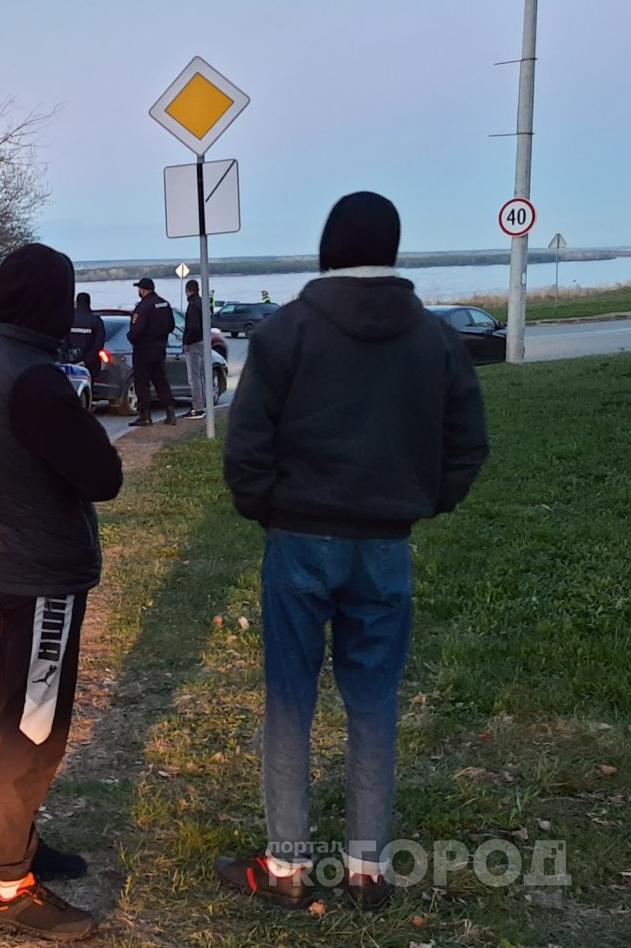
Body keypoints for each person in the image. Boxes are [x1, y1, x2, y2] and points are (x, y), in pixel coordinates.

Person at [218, 191, 489, 911]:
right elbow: (467, 445)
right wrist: (424, 500)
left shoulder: (285, 332)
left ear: (328, 248)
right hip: (386, 543)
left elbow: (246, 449)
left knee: (289, 701)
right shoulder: (434, 337)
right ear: (393, 252)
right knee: (372, 702)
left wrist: (274, 510)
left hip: (299, 539)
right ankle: (367, 869)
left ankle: (286, 866)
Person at [0, 243, 124, 941]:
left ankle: (19, 843)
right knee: (34, 726)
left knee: (16, 711)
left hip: (18, 564)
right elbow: (103, 475)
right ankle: (10, 883)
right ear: (49, 305)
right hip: (46, 576)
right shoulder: (36, 381)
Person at [126, 277, 176, 427]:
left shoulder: (143, 307)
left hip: (143, 349)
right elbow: (171, 325)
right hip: (160, 348)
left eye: (139, 289)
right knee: (161, 380)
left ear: (142, 290)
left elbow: (137, 330)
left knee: (142, 382)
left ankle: (145, 416)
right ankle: (170, 412)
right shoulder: (164, 304)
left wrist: (131, 337)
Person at [181, 279, 207, 420]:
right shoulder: (202, 303)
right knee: (200, 377)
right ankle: (200, 405)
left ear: (188, 290)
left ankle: (197, 408)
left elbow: (193, 326)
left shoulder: (192, 306)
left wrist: (187, 341)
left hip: (194, 344)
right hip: (203, 342)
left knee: (194, 378)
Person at [66, 291, 106, 378]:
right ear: (89, 302)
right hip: (91, 365)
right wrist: (86, 360)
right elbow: (99, 343)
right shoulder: (96, 320)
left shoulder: (69, 319)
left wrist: (69, 357)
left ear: (77, 302)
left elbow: (64, 339)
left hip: (71, 362)